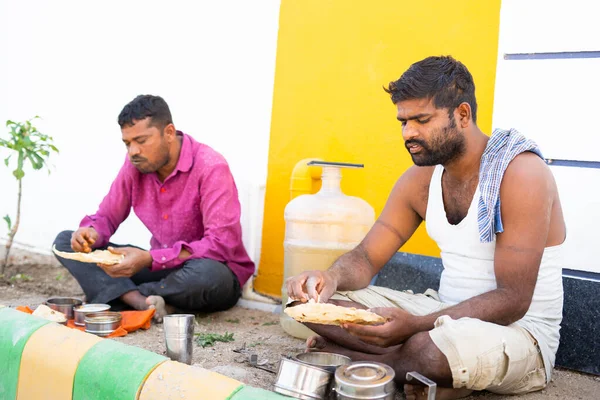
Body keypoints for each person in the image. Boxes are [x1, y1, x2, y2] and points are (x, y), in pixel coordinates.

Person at [285, 56, 566, 400]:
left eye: (421, 120)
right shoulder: (420, 179)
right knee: (308, 304)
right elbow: (364, 260)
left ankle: (359, 359)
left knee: (429, 350)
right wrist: (328, 279)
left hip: (518, 333)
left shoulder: (521, 174)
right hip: (441, 313)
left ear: (462, 115)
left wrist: (416, 326)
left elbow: (513, 300)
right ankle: (421, 374)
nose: (409, 133)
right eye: (403, 121)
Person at [53, 95, 254, 321]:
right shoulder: (135, 164)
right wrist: (91, 233)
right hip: (160, 267)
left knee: (209, 276)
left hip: (208, 270)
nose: (133, 151)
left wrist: (149, 258)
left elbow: (220, 245)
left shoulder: (211, 166)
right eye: (127, 143)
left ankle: (125, 295)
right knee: (64, 241)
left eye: (141, 140)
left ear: (168, 132)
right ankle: (143, 302)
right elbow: (107, 216)